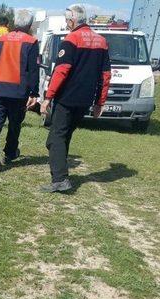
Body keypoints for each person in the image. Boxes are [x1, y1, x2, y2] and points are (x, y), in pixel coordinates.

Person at [40, 4, 111, 193]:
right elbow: (105, 75)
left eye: (67, 21)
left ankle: (60, 179)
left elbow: (61, 71)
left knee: (56, 138)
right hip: (85, 100)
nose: (66, 24)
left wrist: (48, 97)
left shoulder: (71, 40)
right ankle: (60, 171)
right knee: (63, 135)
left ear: (72, 21)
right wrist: (99, 102)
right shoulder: (102, 42)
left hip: (67, 98)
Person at [0, 10, 39, 172]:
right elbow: (33, 70)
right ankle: (10, 153)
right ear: (30, 25)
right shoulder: (32, 41)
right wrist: (34, 93)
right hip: (19, 92)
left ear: (14, 23)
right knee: (15, 125)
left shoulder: (0, 39)